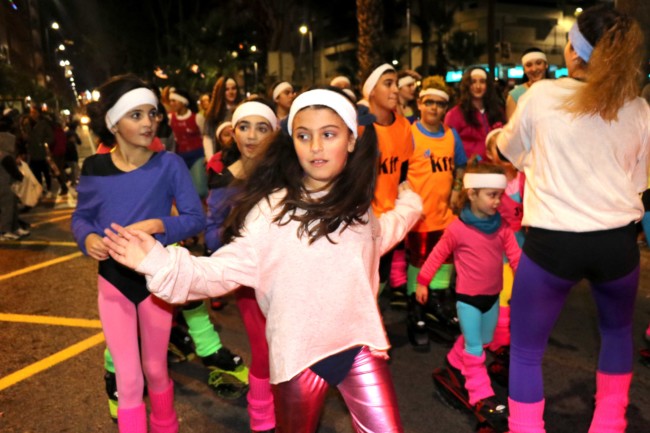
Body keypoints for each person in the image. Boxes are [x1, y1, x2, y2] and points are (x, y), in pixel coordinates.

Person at [103, 88, 423, 433]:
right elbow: (221, 270)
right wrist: (157, 262)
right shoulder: (270, 213)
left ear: (350, 141)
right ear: (292, 143)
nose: (315, 146)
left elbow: (383, 233)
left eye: (328, 134)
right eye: (304, 135)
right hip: (298, 359)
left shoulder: (358, 206)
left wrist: (410, 204)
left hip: (359, 347)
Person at [486, 5, 649, 432]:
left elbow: (506, 151)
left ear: (574, 52)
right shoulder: (637, 107)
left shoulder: (541, 95)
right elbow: (637, 181)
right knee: (617, 334)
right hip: (617, 243)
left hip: (553, 243)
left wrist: (494, 140)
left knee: (526, 350)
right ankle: (609, 424)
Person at [71, 74, 205, 433]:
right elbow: (82, 216)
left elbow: (195, 219)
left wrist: (158, 224)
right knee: (128, 379)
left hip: (155, 282)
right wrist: (87, 238)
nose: (148, 122)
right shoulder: (94, 168)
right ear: (113, 123)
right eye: (136, 115)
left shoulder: (170, 165)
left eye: (153, 113)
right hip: (113, 282)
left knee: (156, 370)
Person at [416, 163, 520, 420]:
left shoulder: (502, 227)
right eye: (491, 195)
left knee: (483, 340)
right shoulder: (457, 229)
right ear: (472, 194)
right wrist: (422, 281)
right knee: (475, 347)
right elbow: (437, 254)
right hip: (468, 301)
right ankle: (480, 394)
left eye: (499, 195)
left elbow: (516, 257)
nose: (497, 201)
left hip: (492, 298)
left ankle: (453, 361)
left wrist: (528, 283)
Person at [205, 98, 278, 432]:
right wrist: (226, 255)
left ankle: (289, 405)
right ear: (233, 133)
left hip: (287, 275)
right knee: (262, 348)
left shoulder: (285, 175)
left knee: (287, 346)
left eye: (261, 128)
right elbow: (212, 229)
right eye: (244, 127)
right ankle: (262, 416)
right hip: (250, 280)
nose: (251, 136)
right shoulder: (223, 180)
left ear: (273, 133)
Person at [404, 78, 467, 347]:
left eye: (440, 104)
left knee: (445, 259)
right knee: (418, 261)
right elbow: (399, 171)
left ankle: (437, 303)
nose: (434, 108)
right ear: (419, 104)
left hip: (445, 214)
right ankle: (416, 310)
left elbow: (460, 165)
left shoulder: (451, 135)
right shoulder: (409, 134)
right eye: (429, 102)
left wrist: (456, 188)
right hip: (420, 218)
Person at [362, 63, 415, 299]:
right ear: (372, 90)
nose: (395, 90)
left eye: (396, 84)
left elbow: (401, 172)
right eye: (388, 84)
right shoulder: (359, 127)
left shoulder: (403, 126)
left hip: (388, 220)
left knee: (381, 279)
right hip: (361, 221)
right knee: (362, 283)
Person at [444, 67, 504, 161]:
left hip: (495, 166)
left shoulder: (497, 111)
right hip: (468, 167)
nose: (478, 86)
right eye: (473, 82)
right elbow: (448, 145)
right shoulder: (454, 114)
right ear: (467, 85)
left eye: (482, 82)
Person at [167, 88, 207, 198]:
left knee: (200, 190)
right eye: (170, 101)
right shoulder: (170, 118)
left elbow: (205, 136)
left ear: (183, 102)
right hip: (180, 158)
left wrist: (207, 156)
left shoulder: (197, 118)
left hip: (197, 156)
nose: (171, 104)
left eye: (174, 101)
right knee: (183, 192)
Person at [203, 77, 242, 160]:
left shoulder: (243, 109)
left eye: (233, 88)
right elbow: (208, 138)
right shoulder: (213, 113)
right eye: (227, 89)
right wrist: (211, 160)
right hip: (220, 158)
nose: (231, 92)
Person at [505, 48, 549, 120]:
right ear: (524, 70)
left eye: (538, 63)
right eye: (529, 65)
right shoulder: (515, 95)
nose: (534, 69)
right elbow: (511, 125)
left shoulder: (557, 90)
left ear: (546, 65)